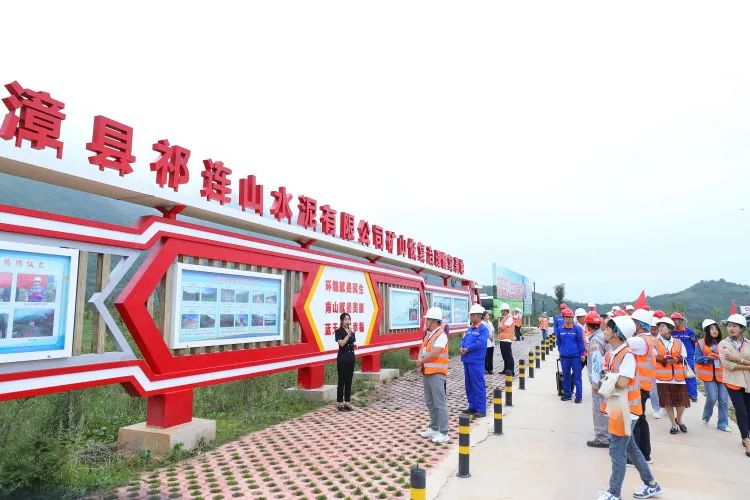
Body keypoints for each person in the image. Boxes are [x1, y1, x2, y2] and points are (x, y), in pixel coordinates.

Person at [597, 315, 662, 500]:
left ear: (617, 332)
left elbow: (623, 382)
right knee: (631, 448)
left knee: (616, 451)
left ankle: (614, 493)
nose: (604, 331)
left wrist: (605, 377)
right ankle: (651, 485)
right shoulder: (614, 353)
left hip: (626, 411)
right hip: (619, 408)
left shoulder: (627, 356)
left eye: (608, 328)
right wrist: (608, 376)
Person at [416, 307, 451, 444]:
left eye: (428, 320)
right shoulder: (429, 335)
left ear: (435, 321)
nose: (426, 322)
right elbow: (423, 350)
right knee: (430, 402)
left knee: (439, 403)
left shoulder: (441, 335)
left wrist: (421, 361)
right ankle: (434, 427)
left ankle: (443, 432)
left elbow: (435, 353)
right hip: (427, 372)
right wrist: (420, 360)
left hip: (437, 373)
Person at [718, 313, 750, 457]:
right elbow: (727, 365)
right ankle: (746, 440)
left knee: (748, 411)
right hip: (733, 382)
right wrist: (748, 365)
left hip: (748, 382)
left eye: (735, 326)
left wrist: (738, 359)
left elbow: (734, 361)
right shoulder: (723, 344)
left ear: (742, 328)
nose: (731, 328)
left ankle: (746, 434)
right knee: (741, 410)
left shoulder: (748, 343)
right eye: (729, 326)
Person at [654, 316, 690, 434]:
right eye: (659, 326)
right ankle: (673, 424)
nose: (660, 328)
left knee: (682, 402)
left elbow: (684, 355)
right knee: (667, 402)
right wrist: (664, 359)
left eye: (663, 326)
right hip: (662, 378)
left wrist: (677, 359)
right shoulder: (655, 342)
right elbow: (653, 356)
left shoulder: (678, 342)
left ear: (670, 328)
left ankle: (679, 418)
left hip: (678, 377)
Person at [630, 309, 656, 464]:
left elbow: (619, 342)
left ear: (639, 325)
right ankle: (645, 454)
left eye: (633, 322)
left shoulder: (639, 341)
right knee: (640, 419)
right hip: (644, 385)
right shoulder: (649, 339)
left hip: (638, 386)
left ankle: (638, 456)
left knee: (636, 420)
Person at [695, 319, 730, 432]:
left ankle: (723, 424)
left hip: (722, 375)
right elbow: (697, 358)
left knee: (723, 400)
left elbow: (729, 358)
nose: (715, 331)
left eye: (716, 329)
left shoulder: (723, 343)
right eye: (712, 329)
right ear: (707, 331)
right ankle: (706, 415)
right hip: (708, 376)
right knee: (712, 397)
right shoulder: (700, 343)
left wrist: (722, 357)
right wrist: (707, 358)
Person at [585, 311, 610, 448]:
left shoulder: (595, 340)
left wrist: (595, 383)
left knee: (599, 409)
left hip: (599, 380)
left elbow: (596, 364)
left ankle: (602, 438)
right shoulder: (603, 336)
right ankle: (609, 435)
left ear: (588, 326)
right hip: (607, 378)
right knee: (605, 408)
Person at [460, 304, 489, 417]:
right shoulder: (470, 328)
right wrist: (461, 347)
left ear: (479, 316)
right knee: (469, 385)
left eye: (473, 315)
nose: (471, 317)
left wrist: (468, 349)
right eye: (470, 315)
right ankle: (472, 407)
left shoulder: (483, 329)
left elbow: (480, 343)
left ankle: (481, 409)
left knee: (478, 384)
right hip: (467, 360)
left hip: (476, 361)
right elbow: (463, 340)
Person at [557, 308, 585, 403]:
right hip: (564, 357)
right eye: (566, 317)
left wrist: (582, 354)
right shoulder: (560, 329)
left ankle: (579, 396)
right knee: (566, 376)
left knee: (577, 377)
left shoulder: (577, 329)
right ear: (563, 318)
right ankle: (567, 394)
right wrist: (561, 351)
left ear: (572, 318)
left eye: (570, 317)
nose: (568, 319)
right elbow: (559, 342)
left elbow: (580, 342)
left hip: (575, 357)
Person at [671, 312, 698, 402]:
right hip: (677, 357)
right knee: (678, 375)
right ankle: (682, 394)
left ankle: (693, 394)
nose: (674, 322)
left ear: (680, 321)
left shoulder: (689, 332)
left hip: (689, 357)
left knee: (689, 374)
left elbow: (694, 344)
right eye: (673, 320)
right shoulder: (671, 332)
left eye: (676, 320)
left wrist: (692, 354)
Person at [334, 313, 356, 412]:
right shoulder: (338, 332)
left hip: (351, 358)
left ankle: (347, 403)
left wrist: (354, 345)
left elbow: (352, 343)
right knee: (341, 381)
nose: (348, 321)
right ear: (341, 321)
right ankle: (339, 403)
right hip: (342, 359)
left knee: (349, 380)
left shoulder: (352, 332)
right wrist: (348, 335)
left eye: (349, 319)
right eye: (346, 319)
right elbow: (342, 344)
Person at [648, 316, 664, 419]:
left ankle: (664, 406)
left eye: (655, 328)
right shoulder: (646, 338)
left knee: (663, 389)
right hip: (651, 368)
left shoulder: (663, 338)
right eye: (652, 328)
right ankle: (656, 409)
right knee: (653, 391)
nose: (654, 330)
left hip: (663, 368)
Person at [497, 303, 515, 375]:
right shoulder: (504, 318)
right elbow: (499, 327)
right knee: (504, 356)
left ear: (505, 310)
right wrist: (500, 326)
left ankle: (511, 371)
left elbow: (502, 327)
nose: (501, 312)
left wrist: (500, 326)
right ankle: (506, 369)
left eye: (502, 310)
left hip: (507, 340)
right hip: (502, 339)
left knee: (508, 356)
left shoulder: (510, 318)